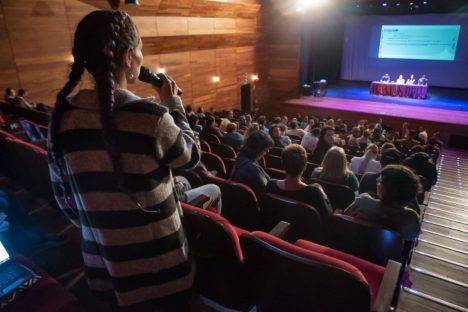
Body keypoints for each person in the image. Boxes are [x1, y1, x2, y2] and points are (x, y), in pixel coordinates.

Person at [47, 11, 200, 310]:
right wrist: (172, 102)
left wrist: (107, 226)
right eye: (140, 50)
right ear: (129, 56)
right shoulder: (151, 118)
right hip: (163, 272)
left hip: (105, 268)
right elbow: (191, 157)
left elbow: (65, 201)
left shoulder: (61, 119)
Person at [345, 165, 421, 241]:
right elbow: (412, 241)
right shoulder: (411, 219)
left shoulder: (362, 202)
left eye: (380, 180)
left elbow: (344, 218)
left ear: (386, 188)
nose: (377, 180)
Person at [266, 144, 332, 219]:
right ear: (305, 166)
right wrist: (324, 195)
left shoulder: (271, 184)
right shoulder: (314, 193)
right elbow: (328, 217)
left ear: (282, 164)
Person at [230, 130, 273, 196]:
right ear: (258, 149)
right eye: (265, 149)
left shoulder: (240, 158)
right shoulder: (253, 168)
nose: (267, 151)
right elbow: (266, 189)